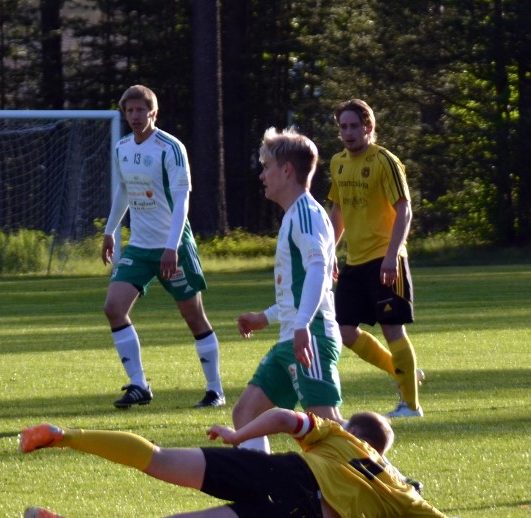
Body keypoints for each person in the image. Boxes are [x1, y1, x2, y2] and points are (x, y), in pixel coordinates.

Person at [17, 409, 466, 518]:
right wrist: (406, 496)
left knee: (158, 458)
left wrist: (239, 436)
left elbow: (283, 417)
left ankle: (65, 436)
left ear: (354, 431)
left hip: (281, 472)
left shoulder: (341, 437)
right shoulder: (401, 494)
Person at [100, 84, 224, 410]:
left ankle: (215, 390)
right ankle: (139, 385)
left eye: (141, 110)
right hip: (140, 247)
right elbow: (124, 190)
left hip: (174, 245)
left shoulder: (171, 148)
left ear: (153, 112)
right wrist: (110, 231)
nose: (135, 116)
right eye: (129, 111)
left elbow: (182, 201)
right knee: (113, 308)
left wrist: (172, 247)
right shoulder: (122, 148)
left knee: (193, 317)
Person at [231, 127, 341, 453]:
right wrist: (265, 318)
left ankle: (386, 474)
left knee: (328, 428)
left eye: (266, 167)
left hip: (311, 336)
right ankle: (261, 484)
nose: (262, 175)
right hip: (291, 337)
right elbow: (299, 286)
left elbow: (318, 270)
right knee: (246, 414)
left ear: (287, 170)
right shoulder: (294, 216)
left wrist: (303, 324)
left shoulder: (306, 214)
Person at [328, 99, 423, 418]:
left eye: (354, 126)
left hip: (386, 258)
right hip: (354, 262)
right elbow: (338, 210)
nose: (348, 132)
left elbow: (404, 210)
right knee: (344, 331)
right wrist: (330, 251)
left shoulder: (385, 161)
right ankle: (403, 372)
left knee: (392, 329)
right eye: (343, 127)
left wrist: (392, 255)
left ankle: (411, 405)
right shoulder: (338, 163)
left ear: (368, 127)